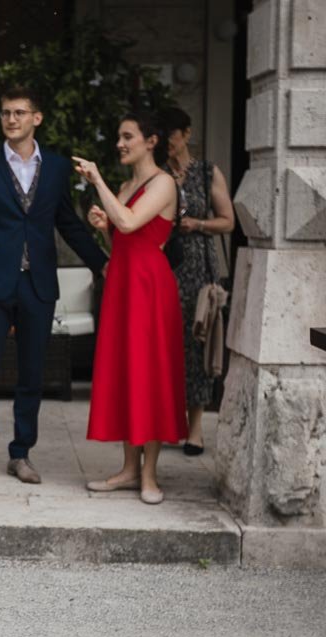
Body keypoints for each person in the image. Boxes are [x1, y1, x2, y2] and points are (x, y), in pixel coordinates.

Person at [0, 86, 108, 484]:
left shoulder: (57, 168)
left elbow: (68, 223)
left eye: (20, 113)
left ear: (36, 118)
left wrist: (104, 263)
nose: (11, 119)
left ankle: (21, 453)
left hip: (38, 285)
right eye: (6, 113)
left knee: (32, 374)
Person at [75, 111, 187, 505]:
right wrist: (101, 225)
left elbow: (127, 222)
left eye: (128, 136)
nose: (120, 143)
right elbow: (119, 237)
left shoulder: (164, 183)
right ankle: (127, 470)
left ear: (150, 141)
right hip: (123, 285)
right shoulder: (125, 184)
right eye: (119, 137)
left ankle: (150, 475)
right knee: (127, 372)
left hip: (149, 289)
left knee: (151, 373)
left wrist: (99, 187)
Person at [159, 105, 236, 456]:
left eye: (173, 137)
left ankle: (195, 430)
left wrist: (199, 225)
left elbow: (228, 222)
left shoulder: (207, 173)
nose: (168, 145)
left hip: (199, 269)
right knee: (167, 345)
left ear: (186, 134)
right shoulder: (158, 174)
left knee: (197, 343)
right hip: (165, 267)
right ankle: (166, 422)